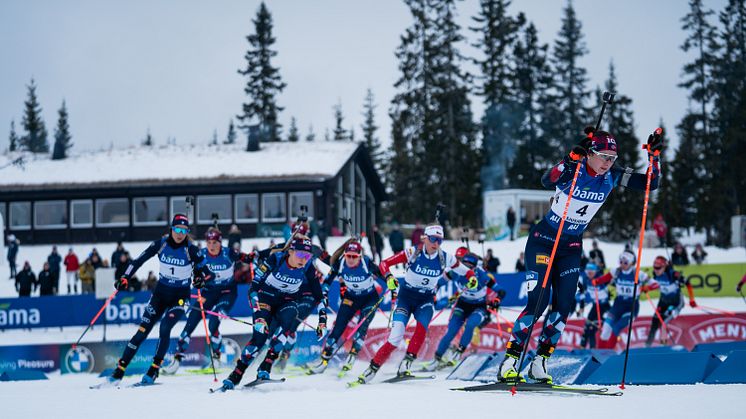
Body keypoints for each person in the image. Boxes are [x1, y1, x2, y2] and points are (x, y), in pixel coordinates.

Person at [496, 127, 661, 384]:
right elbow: (547, 180)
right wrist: (569, 160)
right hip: (544, 241)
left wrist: (654, 158)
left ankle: (540, 361)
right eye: (604, 156)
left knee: (563, 306)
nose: (608, 163)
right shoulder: (575, 170)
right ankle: (511, 358)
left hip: (571, 246)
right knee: (538, 301)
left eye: (612, 158)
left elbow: (651, 183)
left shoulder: (613, 175)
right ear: (590, 154)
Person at [95, 214, 214, 387]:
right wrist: (125, 277)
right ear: (171, 229)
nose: (180, 233)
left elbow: (209, 273)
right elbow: (137, 261)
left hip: (180, 298)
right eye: (177, 229)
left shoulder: (192, 250)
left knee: (165, 328)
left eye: (184, 230)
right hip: (160, 295)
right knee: (142, 332)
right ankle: (119, 371)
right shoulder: (161, 244)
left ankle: (153, 371)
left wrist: (201, 279)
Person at [353, 224, 478, 385]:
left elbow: (465, 271)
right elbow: (384, 264)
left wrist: (472, 278)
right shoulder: (413, 252)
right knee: (395, 336)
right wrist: (389, 277)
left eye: (440, 240)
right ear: (425, 238)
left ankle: (406, 363)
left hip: (425, 300)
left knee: (421, 328)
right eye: (433, 239)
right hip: (406, 297)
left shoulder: (445, 257)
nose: (436, 243)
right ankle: (372, 368)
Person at [218, 236, 327, 390]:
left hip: (287, 301)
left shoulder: (308, 266)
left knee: (289, 322)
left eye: (307, 255)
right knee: (259, 338)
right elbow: (253, 289)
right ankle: (236, 375)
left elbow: (319, 295)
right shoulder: (275, 260)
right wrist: (259, 315)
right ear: (290, 251)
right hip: (265, 298)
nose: (304, 259)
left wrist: (322, 320)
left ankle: (265, 368)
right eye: (300, 254)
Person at [171, 228, 249, 371]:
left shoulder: (228, 253)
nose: (212, 246)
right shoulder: (201, 255)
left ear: (220, 242)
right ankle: (177, 359)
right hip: (208, 293)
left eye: (215, 242)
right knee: (191, 321)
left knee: (214, 322)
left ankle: (216, 357)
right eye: (209, 242)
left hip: (227, 292)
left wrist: (255, 258)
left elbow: (247, 258)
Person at [307, 240, 384, 375]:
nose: (351, 259)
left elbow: (385, 276)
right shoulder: (340, 264)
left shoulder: (366, 263)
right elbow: (327, 282)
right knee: (338, 327)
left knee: (362, 326)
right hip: (351, 298)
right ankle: (324, 359)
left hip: (369, 299)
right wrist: (323, 294)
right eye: (348, 255)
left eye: (354, 256)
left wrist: (393, 285)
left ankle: (352, 357)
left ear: (359, 256)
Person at [428, 252, 504, 370]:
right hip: (462, 305)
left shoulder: (482, 275)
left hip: (479, 306)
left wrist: (497, 300)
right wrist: (433, 296)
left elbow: (501, 291)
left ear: (475, 267)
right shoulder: (456, 272)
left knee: (471, 324)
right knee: (451, 331)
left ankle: (459, 352)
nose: (467, 268)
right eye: (465, 265)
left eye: (470, 266)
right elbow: (437, 284)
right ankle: (437, 359)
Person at [594, 251, 653, 349]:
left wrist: (646, 288)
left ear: (631, 263)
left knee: (616, 328)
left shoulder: (638, 273)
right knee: (605, 330)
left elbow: (655, 284)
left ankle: (608, 353)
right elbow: (603, 279)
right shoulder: (616, 271)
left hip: (631, 307)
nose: (622, 265)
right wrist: (596, 282)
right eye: (620, 262)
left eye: (625, 263)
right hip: (618, 305)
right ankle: (599, 354)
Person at [644, 256, 696, 346]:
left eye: (658, 268)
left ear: (664, 267)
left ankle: (663, 347)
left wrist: (691, 300)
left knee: (664, 324)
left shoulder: (673, 274)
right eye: (654, 267)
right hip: (663, 301)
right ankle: (646, 347)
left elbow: (688, 283)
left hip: (676, 303)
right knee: (654, 323)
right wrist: (647, 288)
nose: (656, 270)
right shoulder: (655, 274)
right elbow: (657, 286)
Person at [575, 263, 610, 348]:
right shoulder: (586, 280)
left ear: (596, 271)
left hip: (604, 307)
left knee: (592, 328)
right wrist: (581, 307)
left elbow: (610, 285)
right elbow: (587, 295)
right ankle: (582, 348)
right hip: (595, 306)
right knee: (587, 327)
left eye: (592, 272)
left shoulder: (600, 278)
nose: (589, 274)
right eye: (588, 272)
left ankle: (594, 350)